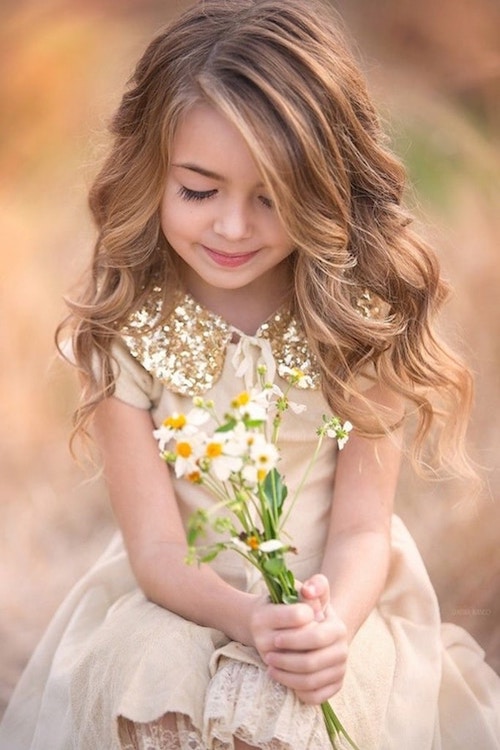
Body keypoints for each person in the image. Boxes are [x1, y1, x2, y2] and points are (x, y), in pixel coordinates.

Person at [1, 0, 499, 748]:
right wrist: (249, 621)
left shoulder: (355, 322)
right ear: (150, 174)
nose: (233, 228)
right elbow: (158, 553)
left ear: (327, 188)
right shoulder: (125, 338)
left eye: (272, 197)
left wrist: (321, 628)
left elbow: (364, 528)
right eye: (199, 191)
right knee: (150, 673)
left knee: (304, 707)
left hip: (331, 600)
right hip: (177, 599)